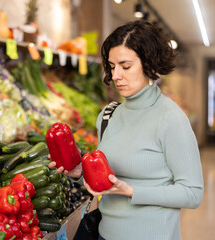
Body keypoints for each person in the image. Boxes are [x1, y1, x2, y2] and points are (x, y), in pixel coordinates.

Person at [49, 20, 204, 240]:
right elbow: (109, 177)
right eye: (112, 66)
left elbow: (192, 193)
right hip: (105, 234)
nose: (115, 76)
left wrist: (131, 191)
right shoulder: (108, 115)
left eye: (126, 66)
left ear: (150, 65)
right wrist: (79, 173)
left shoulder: (171, 119)